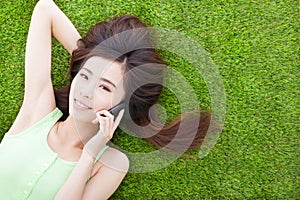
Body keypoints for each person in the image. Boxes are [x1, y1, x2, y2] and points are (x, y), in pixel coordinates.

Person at [0, 0, 220, 199]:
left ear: (123, 104)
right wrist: (90, 59)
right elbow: (45, 10)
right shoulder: (37, 112)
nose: (85, 91)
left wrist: (89, 154)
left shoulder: (111, 164)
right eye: (84, 76)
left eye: (104, 87)